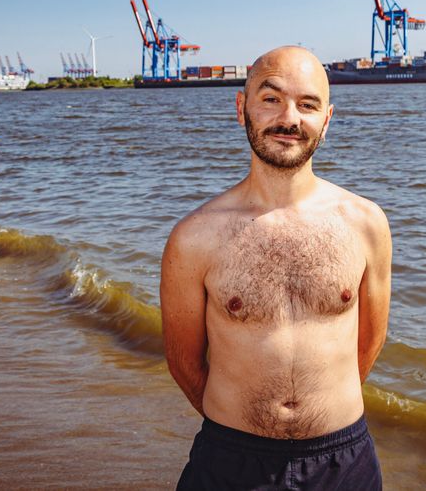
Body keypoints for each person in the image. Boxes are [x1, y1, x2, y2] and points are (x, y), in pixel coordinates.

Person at [161, 46, 392, 490]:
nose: (290, 118)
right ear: (240, 108)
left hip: (342, 461)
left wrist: (318, 411)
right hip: (230, 460)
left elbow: (368, 344)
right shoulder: (194, 237)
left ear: (327, 120)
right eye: (271, 99)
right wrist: (246, 425)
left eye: (308, 104)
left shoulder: (366, 224)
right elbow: (184, 363)